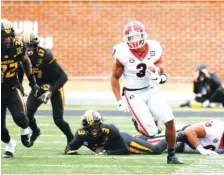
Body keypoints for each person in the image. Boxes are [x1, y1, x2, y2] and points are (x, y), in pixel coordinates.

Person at [111, 21, 183, 164]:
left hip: (150, 89)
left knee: (169, 121)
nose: (135, 41)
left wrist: (158, 73)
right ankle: (138, 120)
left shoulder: (154, 47)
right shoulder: (122, 53)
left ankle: (171, 156)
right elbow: (115, 77)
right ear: (126, 39)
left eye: (137, 37)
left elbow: (161, 65)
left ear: (144, 35)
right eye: (131, 38)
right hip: (133, 94)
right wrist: (119, 100)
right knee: (150, 132)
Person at [20, 31, 74, 146]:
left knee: (58, 120)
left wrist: (50, 91)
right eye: (26, 46)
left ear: (36, 45)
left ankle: (71, 140)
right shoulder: (20, 56)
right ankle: (36, 131)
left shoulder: (45, 55)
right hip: (38, 86)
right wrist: (20, 87)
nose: (28, 49)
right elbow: (19, 74)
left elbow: (63, 76)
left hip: (54, 85)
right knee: (27, 115)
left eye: (30, 46)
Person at [1, 19, 39, 158]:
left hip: (12, 87)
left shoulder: (18, 45)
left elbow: (26, 61)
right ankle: (10, 144)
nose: (8, 39)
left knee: (21, 119)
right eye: (4, 37)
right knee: (0, 130)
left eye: (9, 36)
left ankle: (24, 130)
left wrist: (32, 82)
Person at [65, 110, 171, 155]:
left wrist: (107, 153)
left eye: (96, 126)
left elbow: (125, 150)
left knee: (156, 150)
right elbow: (70, 147)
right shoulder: (81, 134)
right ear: (85, 127)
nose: (94, 129)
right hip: (118, 145)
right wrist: (69, 150)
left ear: (100, 123)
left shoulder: (110, 129)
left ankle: (178, 135)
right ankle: (144, 135)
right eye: (90, 127)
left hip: (126, 142)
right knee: (145, 140)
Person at [136, 119, 224, 155]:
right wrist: (201, 149)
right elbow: (189, 131)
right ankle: (141, 134)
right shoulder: (216, 128)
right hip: (182, 138)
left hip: (185, 148)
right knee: (149, 145)